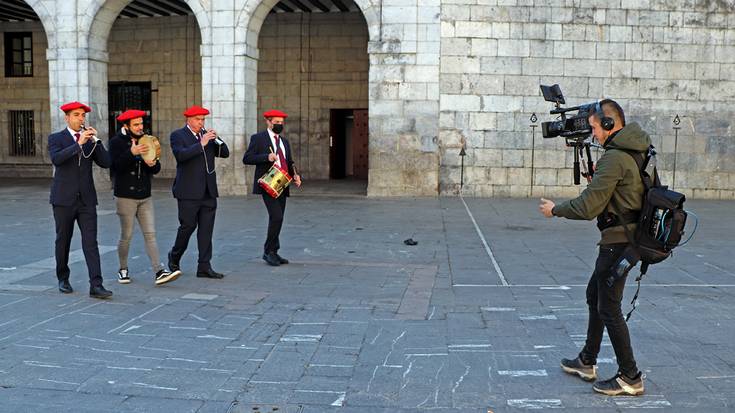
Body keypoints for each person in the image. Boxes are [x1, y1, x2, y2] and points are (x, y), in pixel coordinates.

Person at [539, 99, 649, 396]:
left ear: (611, 124)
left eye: (595, 128)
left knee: (608, 307)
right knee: (595, 295)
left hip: (618, 243)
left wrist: (555, 210)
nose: (594, 135)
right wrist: (598, 180)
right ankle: (587, 360)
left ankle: (630, 375)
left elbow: (588, 207)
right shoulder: (635, 150)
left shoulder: (615, 157)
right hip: (627, 238)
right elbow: (624, 192)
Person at [48, 101, 113, 299]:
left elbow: (106, 162)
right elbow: (57, 159)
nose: (81, 119)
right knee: (63, 240)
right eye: (76, 115)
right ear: (67, 118)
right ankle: (63, 277)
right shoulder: (56, 138)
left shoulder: (90, 140)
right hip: (63, 199)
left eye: (83, 115)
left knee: (91, 242)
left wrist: (97, 141)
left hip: (86, 200)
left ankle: (96, 284)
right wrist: (78, 144)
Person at [109, 109, 181, 286]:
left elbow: (155, 168)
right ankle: (123, 269)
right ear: (126, 126)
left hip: (145, 195)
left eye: (141, 123)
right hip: (125, 195)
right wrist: (131, 153)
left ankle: (159, 271)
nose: (140, 127)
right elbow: (114, 167)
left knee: (151, 234)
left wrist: (153, 163)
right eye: (136, 125)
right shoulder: (116, 142)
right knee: (126, 235)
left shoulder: (147, 139)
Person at [167, 105, 229, 279]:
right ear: (189, 119)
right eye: (197, 119)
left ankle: (204, 266)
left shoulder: (207, 136)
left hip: (208, 191)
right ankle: (175, 255)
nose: (201, 123)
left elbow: (225, 153)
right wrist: (200, 144)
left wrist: (217, 140)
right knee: (188, 226)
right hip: (188, 191)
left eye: (203, 120)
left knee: (206, 230)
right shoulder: (178, 135)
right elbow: (181, 155)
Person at [243, 109, 302, 266]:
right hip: (268, 182)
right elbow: (247, 158)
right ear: (268, 122)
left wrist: (295, 175)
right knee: (276, 216)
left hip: (282, 182)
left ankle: (274, 251)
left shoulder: (284, 141)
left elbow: (289, 161)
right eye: (276, 122)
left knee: (278, 218)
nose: (279, 125)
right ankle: (268, 252)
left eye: (281, 123)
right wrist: (266, 157)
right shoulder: (258, 139)